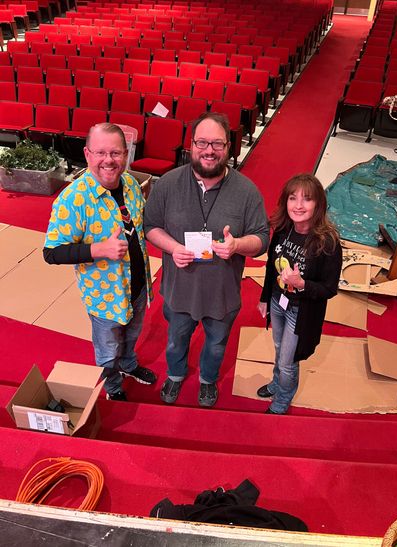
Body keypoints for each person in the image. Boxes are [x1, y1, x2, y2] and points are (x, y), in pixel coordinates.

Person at [144, 112, 269, 407]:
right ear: (191, 145)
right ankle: (175, 375)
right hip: (179, 289)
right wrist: (173, 248)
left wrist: (238, 244)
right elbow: (151, 226)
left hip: (221, 294)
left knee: (216, 345)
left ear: (228, 147)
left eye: (217, 143)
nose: (209, 150)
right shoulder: (168, 184)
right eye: (202, 142)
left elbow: (262, 239)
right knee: (175, 341)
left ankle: (207, 380)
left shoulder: (247, 191)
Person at [43, 123, 157, 401]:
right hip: (104, 295)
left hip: (138, 284)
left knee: (132, 335)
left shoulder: (130, 184)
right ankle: (113, 385)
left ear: (126, 154)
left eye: (116, 153)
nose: (109, 160)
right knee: (107, 349)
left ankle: (129, 365)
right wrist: (97, 249)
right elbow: (51, 252)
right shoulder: (73, 199)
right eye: (101, 152)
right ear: (87, 153)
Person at [257, 173, 343, 414]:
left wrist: (302, 283)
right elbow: (269, 266)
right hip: (277, 301)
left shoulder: (327, 242)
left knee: (287, 361)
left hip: (301, 311)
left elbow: (329, 288)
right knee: (278, 348)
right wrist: (265, 297)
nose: (298, 205)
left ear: (318, 204)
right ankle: (276, 383)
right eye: (293, 198)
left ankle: (283, 398)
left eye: (307, 199)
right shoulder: (283, 231)